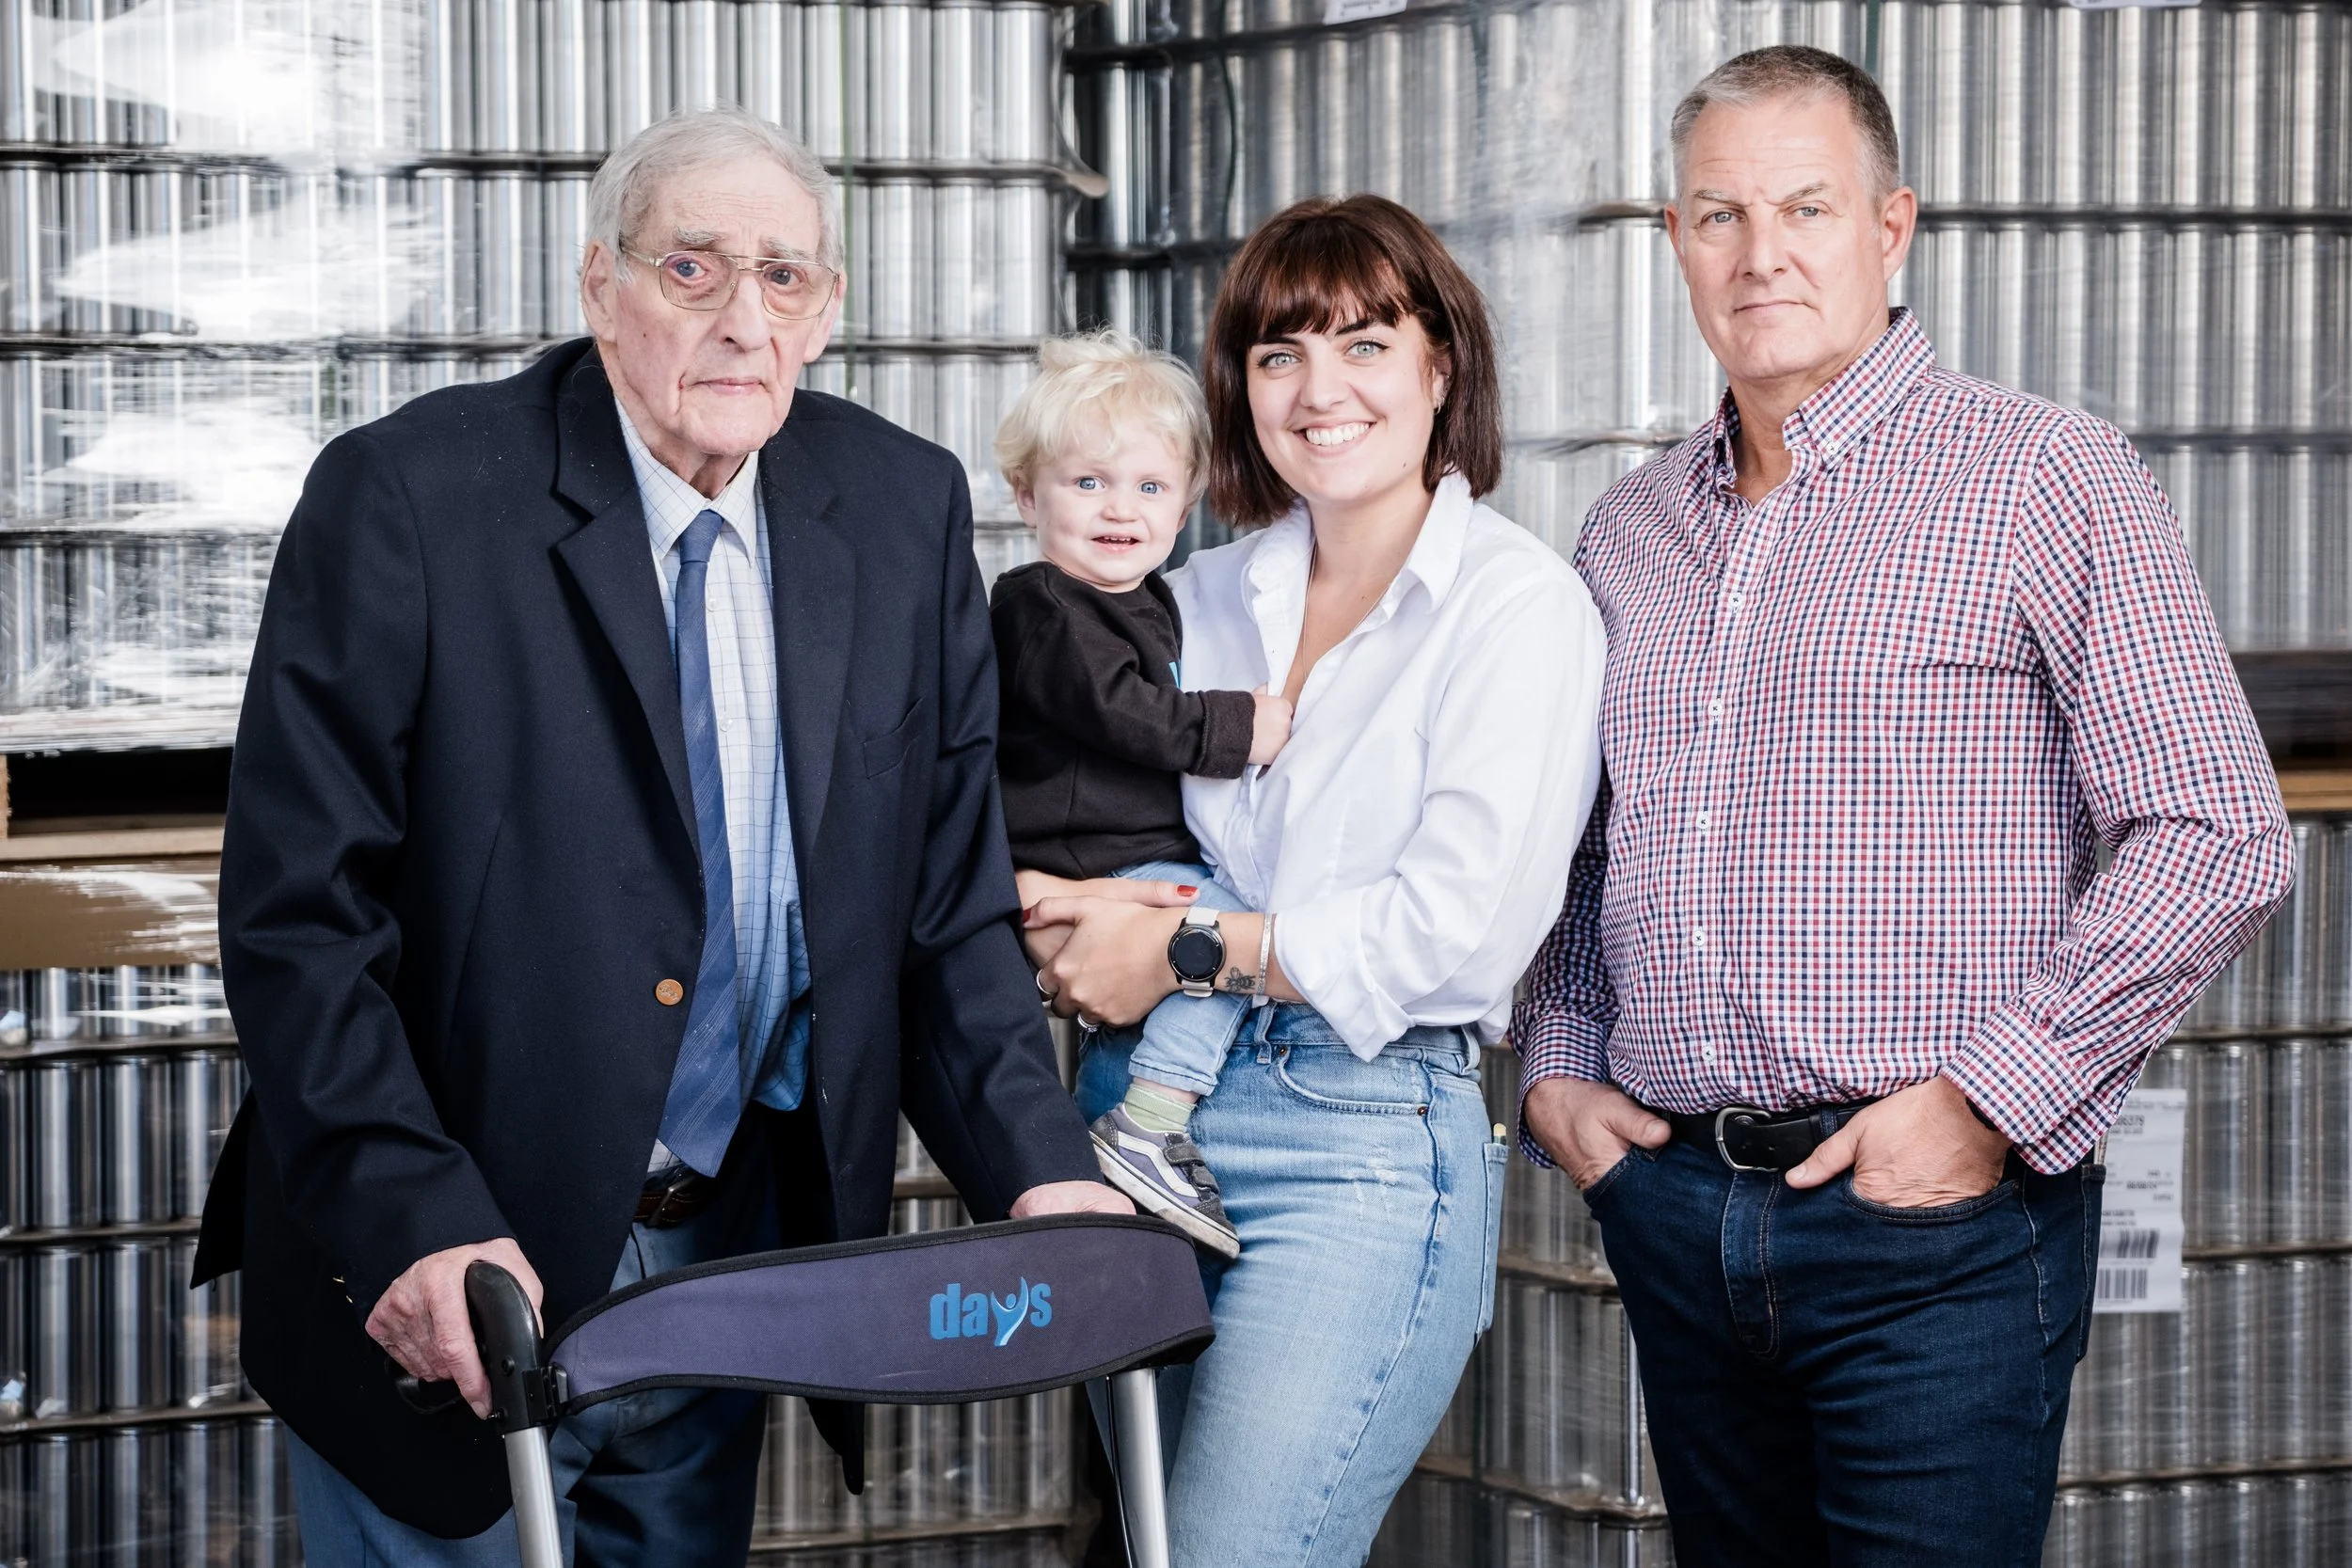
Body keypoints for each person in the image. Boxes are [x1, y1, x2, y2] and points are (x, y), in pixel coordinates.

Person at [195, 104, 1123, 1567]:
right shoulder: (413, 496)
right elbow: (298, 913)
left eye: (785, 276)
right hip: (458, 1263)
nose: (744, 319)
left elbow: (944, 910)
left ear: (827, 311)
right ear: (601, 284)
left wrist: (1042, 1169)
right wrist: (408, 1214)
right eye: (693, 268)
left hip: (726, 1261)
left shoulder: (899, 509)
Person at [1515, 46, 2295, 1568]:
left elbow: (2217, 828)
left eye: (1806, 207)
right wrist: (1558, 1062)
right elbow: (1587, 845)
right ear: (1677, 240)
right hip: (1678, 1209)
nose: (1762, 252)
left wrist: (1990, 1100)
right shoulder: (1626, 532)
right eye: (1720, 214)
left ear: (1891, 227)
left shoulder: (2045, 476)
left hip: (1934, 1226)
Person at [1023, 195, 1606, 1566]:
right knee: (1153, 1546)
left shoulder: (1516, 607)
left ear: (1440, 365)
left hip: (1354, 1135)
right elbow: (1071, 810)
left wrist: (1182, 946)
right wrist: (1053, 907)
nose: (1318, 389)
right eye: (1278, 353)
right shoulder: (1193, 594)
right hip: (1129, 1115)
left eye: (1364, 344)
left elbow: (1456, 931)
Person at [989, 329, 1293, 1259]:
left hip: (1123, 851)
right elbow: (1123, 712)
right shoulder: (1044, 603)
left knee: (1226, 925)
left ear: (1187, 501)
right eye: (1088, 482)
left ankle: (1157, 1109)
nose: (1120, 507)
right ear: (1026, 494)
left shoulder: (1147, 598)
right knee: (1226, 930)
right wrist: (1239, 725)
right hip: (1085, 850)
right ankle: (1151, 1120)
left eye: (1151, 486)